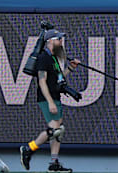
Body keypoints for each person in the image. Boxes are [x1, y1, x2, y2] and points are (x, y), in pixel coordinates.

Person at [20, 30, 80, 173]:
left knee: (59, 131)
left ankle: (54, 163)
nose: (61, 42)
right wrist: (50, 102)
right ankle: (28, 149)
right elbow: (42, 81)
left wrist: (71, 68)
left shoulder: (54, 58)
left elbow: (59, 78)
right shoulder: (43, 58)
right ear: (51, 41)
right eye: (59, 39)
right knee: (56, 130)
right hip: (47, 98)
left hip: (56, 96)